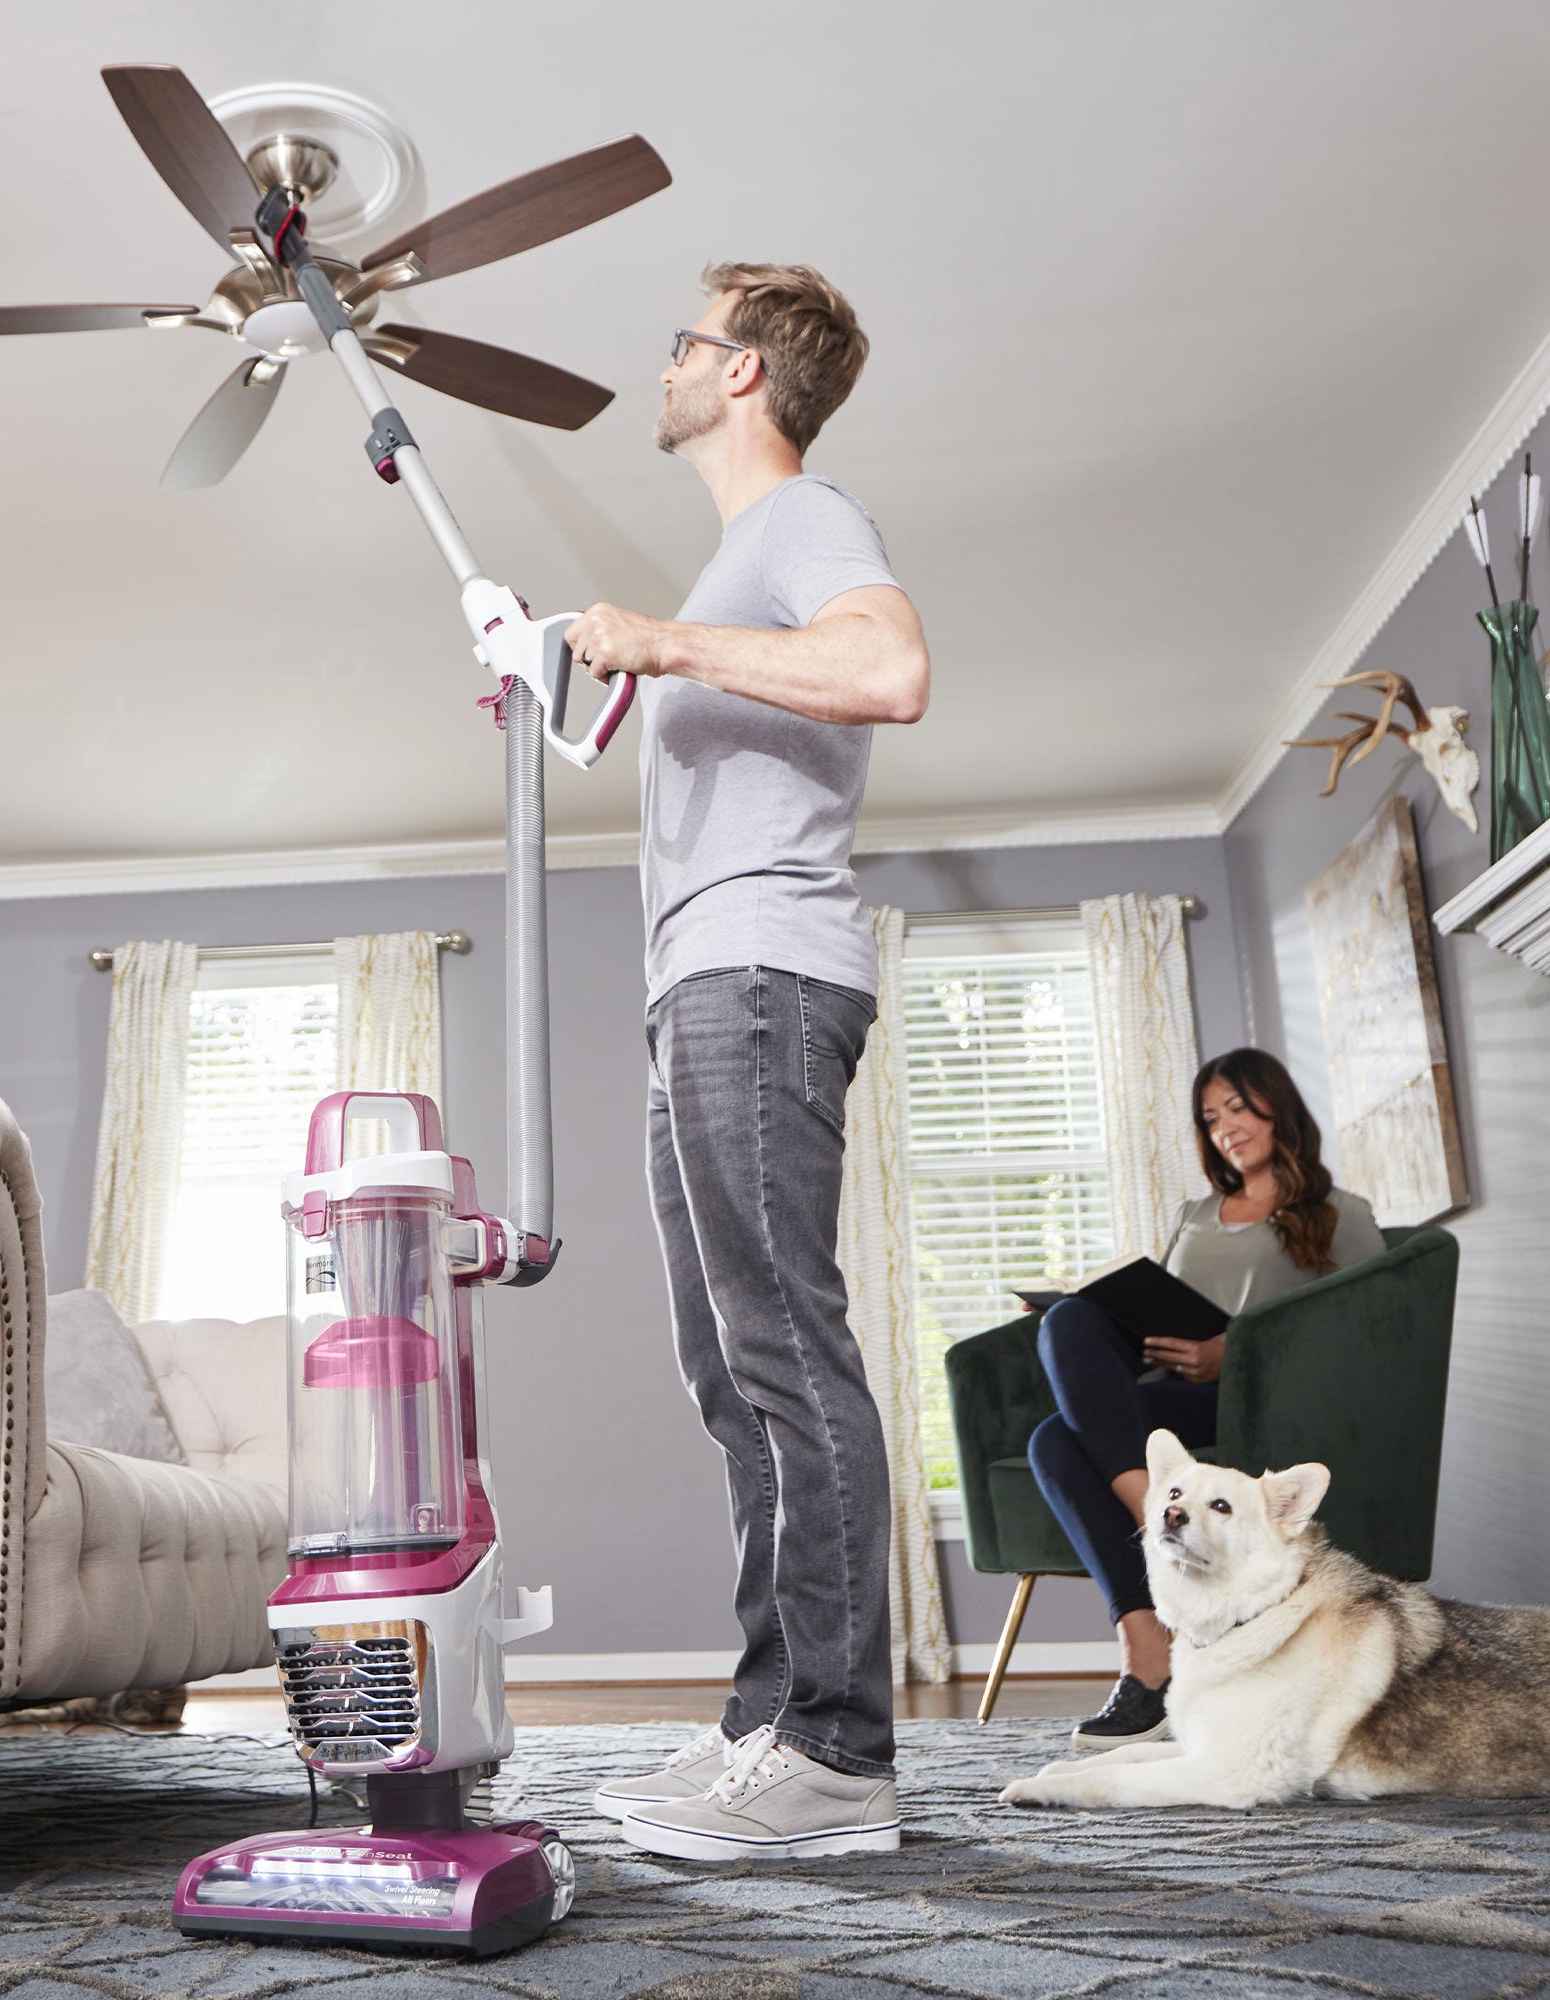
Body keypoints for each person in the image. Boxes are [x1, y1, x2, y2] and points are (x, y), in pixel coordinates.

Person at [563, 265, 929, 1862]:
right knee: (733, 1379)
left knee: (784, 1350)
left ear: (747, 374)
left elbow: (891, 672)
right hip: (697, 986)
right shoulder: (738, 563)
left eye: (686, 341)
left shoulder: (802, 521)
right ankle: (771, 1733)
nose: (666, 360)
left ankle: (839, 1764)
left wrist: (666, 638)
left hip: (762, 974)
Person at [1028, 1046, 1385, 1750]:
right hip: (1171, 1402)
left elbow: (1369, 1330)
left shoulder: (1340, 1213)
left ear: (1276, 1106)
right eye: (1211, 1116)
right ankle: (1148, 1626)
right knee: (1065, 1348)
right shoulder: (1194, 1215)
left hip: (1260, 1403)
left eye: (1238, 1107)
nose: (1225, 1126)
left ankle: (1155, 1590)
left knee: (1057, 1439)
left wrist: (1235, 1352)